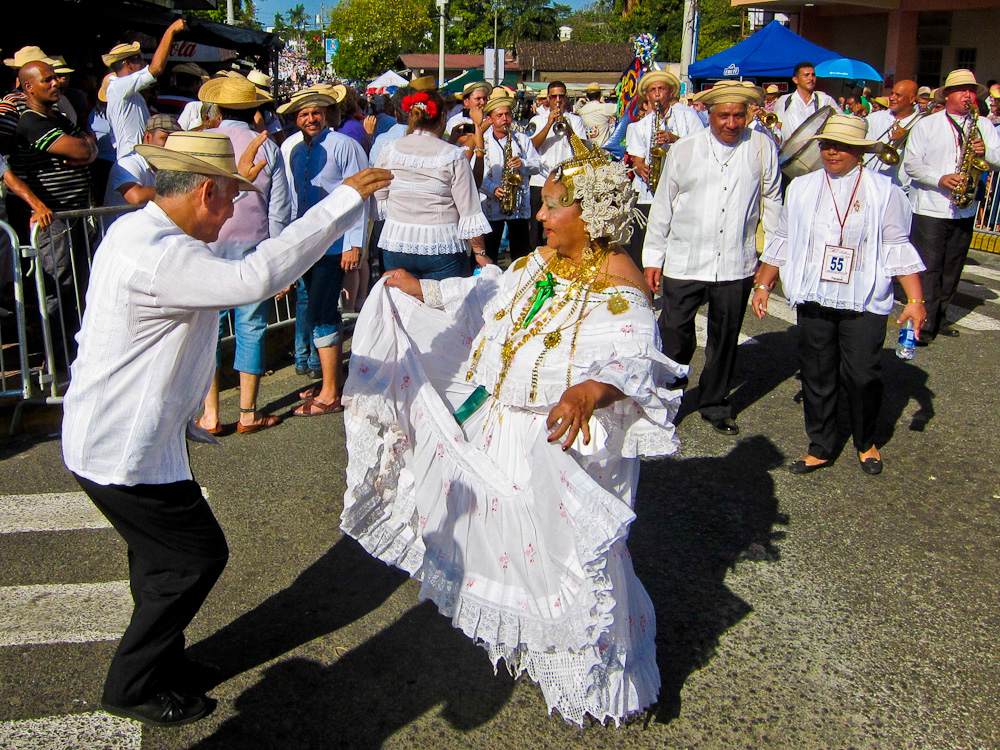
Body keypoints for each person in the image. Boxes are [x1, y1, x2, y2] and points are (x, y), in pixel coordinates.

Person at [341, 139, 684, 726]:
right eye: (543, 205)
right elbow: (488, 294)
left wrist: (589, 391)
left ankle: (595, 679)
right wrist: (423, 291)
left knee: (568, 555)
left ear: (593, 216)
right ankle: (531, 645)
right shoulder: (540, 263)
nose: (541, 217)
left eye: (553, 207)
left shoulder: (620, 285)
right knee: (507, 542)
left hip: (555, 442)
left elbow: (634, 360)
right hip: (502, 422)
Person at [61, 129, 390, 727]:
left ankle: (161, 663)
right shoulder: (164, 252)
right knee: (193, 558)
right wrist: (341, 202)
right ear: (205, 191)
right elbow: (252, 280)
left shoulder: (141, 230)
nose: (235, 217)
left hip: (126, 439)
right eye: (231, 200)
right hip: (121, 447)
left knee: (162, 562)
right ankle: (132, 683)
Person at [752, 115, 926, 475]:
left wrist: (915, 300)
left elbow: (897, 245)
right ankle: (821, 444)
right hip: (815, 294)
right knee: (817, 373)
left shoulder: (884, 191)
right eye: (826, 145)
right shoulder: (801, 187)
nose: (831, 152)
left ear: (860, 152)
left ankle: (866, 440)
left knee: (863, 374)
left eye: (841, 146)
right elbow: (783, 238)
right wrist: (763, 283)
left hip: (862, 296)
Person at [644, 81, 782, 436]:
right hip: (685, 259)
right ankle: (667, 399)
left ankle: (715, 403)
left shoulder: (762, 148)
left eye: (739, 115)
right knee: (674, 334)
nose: (732, 123)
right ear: (708, 113)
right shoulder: (685, 150)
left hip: (736, 260)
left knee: (725, 337)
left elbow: (774, 204)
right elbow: (663, 205)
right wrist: (652, 258)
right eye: (724, 115)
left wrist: (772, 261)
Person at [195, 73, 291, 435]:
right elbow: (280, 209)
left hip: (206, 247)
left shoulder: (201, 142)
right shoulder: (267, 146)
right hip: (254, 247)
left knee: (208, 330)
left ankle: (210, 413)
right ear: (254, 111)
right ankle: (248, 412)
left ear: (216, 110)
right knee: (251, 326)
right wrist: (280, 259)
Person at [283, 89, 369, 416]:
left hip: (335, 244)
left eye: (316, 112)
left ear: (327, 114)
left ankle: (331, 391)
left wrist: (354, 244)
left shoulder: (345, 145)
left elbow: (361, 195)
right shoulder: (294, 149)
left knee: (321, 313)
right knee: (316, 310)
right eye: (303, 114)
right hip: (308, 244)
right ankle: (329, 381)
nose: (310, 119)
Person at [902, 69, 1000, 343]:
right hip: (931, 206)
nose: (968, 95)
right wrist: (940, 178)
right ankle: (924, 322)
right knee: (930, 267)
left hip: (964, 208)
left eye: (972, 90)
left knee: (953, 266)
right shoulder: (928, 125)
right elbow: (912, 164)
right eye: (962, 90)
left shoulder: (984, 125)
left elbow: (999, 159)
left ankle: (940, 317)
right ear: (947, 95)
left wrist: (987, 153)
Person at [12, 60, 97, 363]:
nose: (56, 84)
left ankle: (79, 350)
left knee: (82, 283)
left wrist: (86, 150)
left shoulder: (60, 117)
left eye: (56, 79)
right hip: (52, 219)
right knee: (58, 288)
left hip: (77, 213)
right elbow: (82, 150)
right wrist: (84, 151)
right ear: (28, 87)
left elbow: (90, 144)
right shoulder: (30, 122)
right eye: (47, 80)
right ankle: (59, 357)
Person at [372, 84, 489, 279]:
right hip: (441, 244)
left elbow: (379, 197)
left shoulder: (389, 149)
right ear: (442, 116)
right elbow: (469, 210)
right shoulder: (452, 154)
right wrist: (480, 253)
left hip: (397, 242)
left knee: (401, 307)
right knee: (444, 306)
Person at [625, 70, 705, 266]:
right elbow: (636, 158)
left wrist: (675, 140)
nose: (657, 93)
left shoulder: (688, 116)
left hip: (681, 190)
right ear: (648, 96)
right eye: (652, 90)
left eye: (661, 89)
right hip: (648, 193)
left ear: (670, 93)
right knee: (643, 243)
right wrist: (640, 167)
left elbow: (702, 146)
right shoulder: (641, 125)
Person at [103, 19, 187, 159]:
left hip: (138, 157)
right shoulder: (118, 86)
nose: (144, 62)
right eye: (140, 58)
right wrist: (170, 31)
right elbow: (156, 68)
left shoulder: (127, 91)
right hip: (131, 158)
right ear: (128, 64)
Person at [479, 94, 541, 263]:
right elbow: (475, 172)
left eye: (507, 115)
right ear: (490, 118)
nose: (505, 119)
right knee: (489, 252)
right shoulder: (483, 141)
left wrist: (523, 164)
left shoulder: (522, 139)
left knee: (520, 255)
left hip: (518, 206)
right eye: (499, 116)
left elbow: (537, 166)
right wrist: (492, 188)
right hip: (492, 203)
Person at [528, 81, 588, 251]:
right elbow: (531, 147)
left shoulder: (575, 120)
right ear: (547, 98)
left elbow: (581, 149)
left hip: (566, 180)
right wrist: (549, 124)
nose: (558, 100)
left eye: (561, 96)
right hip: (540, 179)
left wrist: (567, 127)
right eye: (554, 96)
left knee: (564, 222)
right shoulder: (536, 120)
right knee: (536, 225)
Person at [103, 114, 180, 211]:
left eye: (174, 140)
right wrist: (177, 192)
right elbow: (136, 197)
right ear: (148, 137)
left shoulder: (169, 166)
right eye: (165, 138)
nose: (171, 144)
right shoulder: (127, 163)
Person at [863, 79, 922, 192]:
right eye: (892, 93)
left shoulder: (921, 123)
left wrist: (907, 140)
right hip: (871, 185)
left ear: (912, 99)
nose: (892, 98)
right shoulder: (875, 117)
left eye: (898, 95)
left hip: (900, 189)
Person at [776, 62, 838, 143]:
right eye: (806, 75)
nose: (811, 78)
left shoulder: (826, 100)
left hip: (817, 153)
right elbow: (777, 129)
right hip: (790, 154)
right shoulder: (784, 101)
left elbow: (840, 123)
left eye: (813, 75)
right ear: (795, 80)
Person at [578, 82, 617, 147]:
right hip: (603, 149)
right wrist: (616, 96)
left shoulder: (582, 110)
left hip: (588, 149)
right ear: (600, 95)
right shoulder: (604, 108)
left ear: (587, 96)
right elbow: (622, 108)